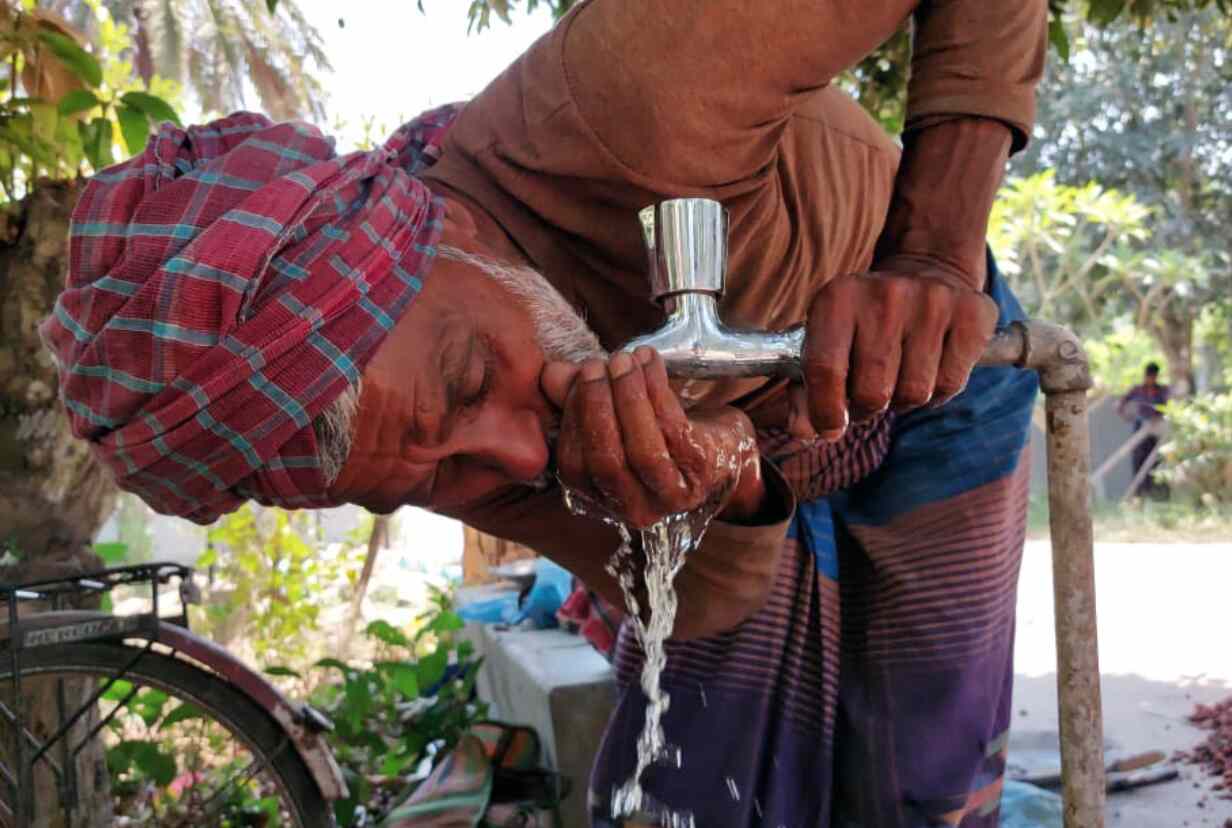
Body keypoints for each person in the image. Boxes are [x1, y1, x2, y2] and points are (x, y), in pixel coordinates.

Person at [42, 1, 1047, 825]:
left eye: (473, 375)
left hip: (924, 369)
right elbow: (697, 601)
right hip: (768, 436)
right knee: (699, 771)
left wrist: (929, 249)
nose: (526, 457)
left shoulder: (632, 95)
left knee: (923, 761)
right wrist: (720, 484)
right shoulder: (431, 441)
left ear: (449, 235)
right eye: (441, 478)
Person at [1117, 362, 1171, 498]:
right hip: (1141, 428)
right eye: (1149, 376)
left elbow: (1170, 404)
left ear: (1156, 376)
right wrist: (1125, 415)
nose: (1151, 379)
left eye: (1153, 376)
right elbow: (1120, 403)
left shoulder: (1162, 390)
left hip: (1157, 430)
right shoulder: (1137, 390)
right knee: (1139, 460)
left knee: (1158, 461)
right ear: (1145, 375)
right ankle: (1140, 494)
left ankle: (1159, 495)